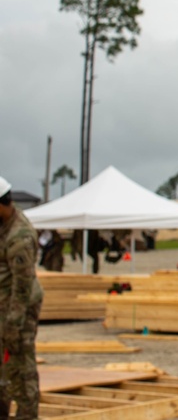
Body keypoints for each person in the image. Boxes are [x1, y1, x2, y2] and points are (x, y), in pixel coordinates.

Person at [0, 176, 44, 420]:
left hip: (18, 311)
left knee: (20, 366)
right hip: (4, 307)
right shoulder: (3, 227)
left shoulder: (19, 236)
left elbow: (22, 287)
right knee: (3, 370)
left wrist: (12, 327)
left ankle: (27, 414)